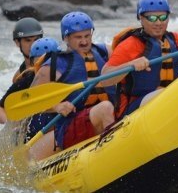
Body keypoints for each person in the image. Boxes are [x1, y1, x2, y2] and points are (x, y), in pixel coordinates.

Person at [27, 11, 116, 160]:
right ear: (66, 38)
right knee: (105, 108)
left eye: (87, 36)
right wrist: (56, 107)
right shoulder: (55, 65)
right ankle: (113, 157)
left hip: (105, 115)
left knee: (109, 107)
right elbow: (31, 101)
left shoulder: (104, 52)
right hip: (71, 125)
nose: (84, 42)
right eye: (78, 37)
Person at [0, 17, 45, 124]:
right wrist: (11, 125)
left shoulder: (53, 62)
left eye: (36, 40)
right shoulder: (19, 76)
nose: (33, 44)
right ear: (17, 42)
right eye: (28, 40)